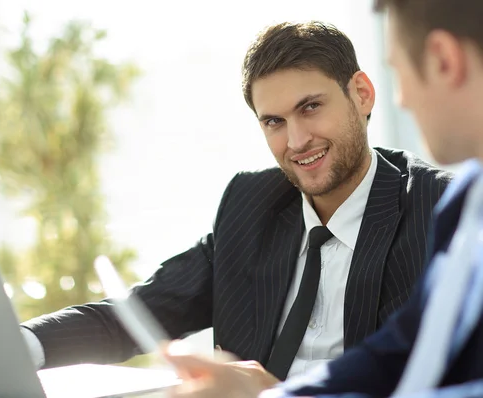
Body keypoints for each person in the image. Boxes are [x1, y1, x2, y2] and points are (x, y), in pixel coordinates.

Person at [0, 21, 452, 397]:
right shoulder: (252, 204)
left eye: (311, 108)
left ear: (362, 94)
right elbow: (140, 313)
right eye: (273, 122)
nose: (296, 140)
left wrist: (273, 393)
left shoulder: (439, 210)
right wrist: (7, 348)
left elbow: (427, 378)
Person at [159, 0, 483, 397]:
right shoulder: (468, 203)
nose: (401, 100)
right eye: (274, 121)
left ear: (443, 61)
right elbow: (398, 352)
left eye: (398, 71)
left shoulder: (433, 202)